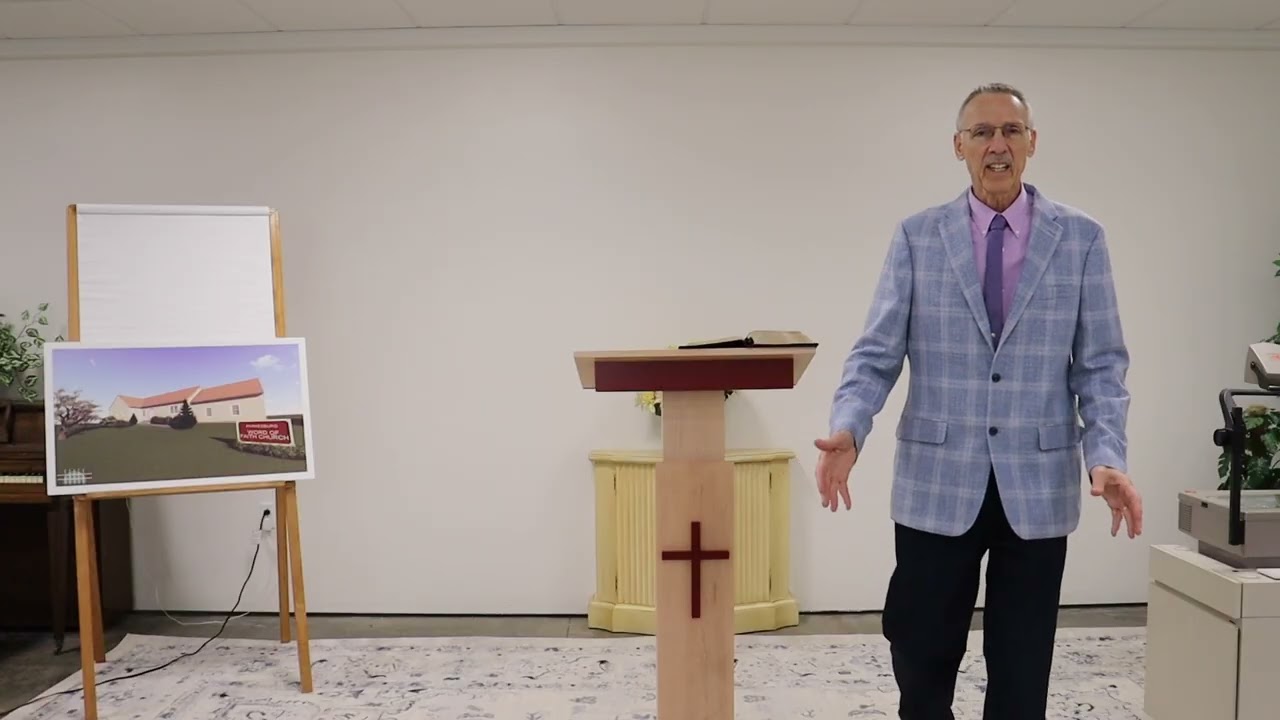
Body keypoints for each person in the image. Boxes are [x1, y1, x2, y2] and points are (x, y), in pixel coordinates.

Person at [814, 83, 1144, 719]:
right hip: (936, 481)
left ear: (1032, 143)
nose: (998, 144)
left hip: (1037, 484)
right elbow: (876, 353)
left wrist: (1106, 457)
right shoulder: (918, 237)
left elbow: (1102, 366)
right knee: (920, 654)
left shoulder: (1081, 239)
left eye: (1011, 131)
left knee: (1022, 670)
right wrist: (849, 430)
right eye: (983, 132)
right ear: (958, 146)